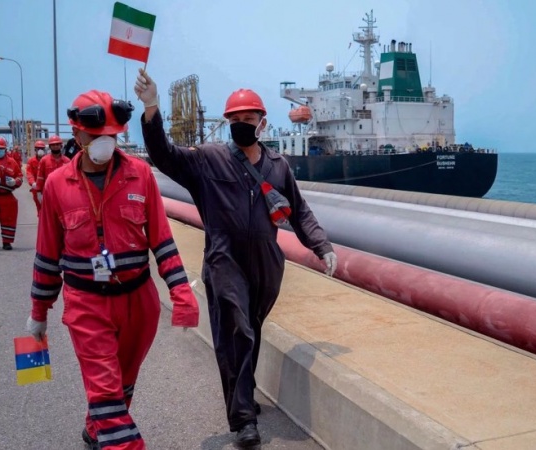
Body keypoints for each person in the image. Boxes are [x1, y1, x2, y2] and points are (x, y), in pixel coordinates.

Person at [135, 69, 337, 448]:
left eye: (248, 118)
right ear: (228, 123)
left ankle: (243, 392)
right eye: (235, 119)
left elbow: (299, 211)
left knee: (251, 329)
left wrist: (321, 245)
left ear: (262, 123)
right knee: (237, 331)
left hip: (266, 264)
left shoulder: (278, 166)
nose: (241, 124)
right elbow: (164, 155)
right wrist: (151, 109)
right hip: (224, 259)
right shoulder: (208, 160)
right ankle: (244, 419)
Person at [25, 89, 199, 450]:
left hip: (139, 302)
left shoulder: (140, 175)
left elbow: (162, 240)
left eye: (112, 135)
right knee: (105, 387)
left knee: (123, 381)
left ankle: (97, 427)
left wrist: (181, 292)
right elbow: (47, 255)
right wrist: (38, 312)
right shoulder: (58, 185)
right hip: (87, 304)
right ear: (77, 134)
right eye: (96, 135)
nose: (105, 143)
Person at [25, 140, 45, 214]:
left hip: (47, 188)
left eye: (42, 149)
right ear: (35, 149)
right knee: (40, 209)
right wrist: (33, 183)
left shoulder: (48, 160)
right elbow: (29, 173)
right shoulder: (31, 161)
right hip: (36, 188)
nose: (40, 150)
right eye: (38, 148)